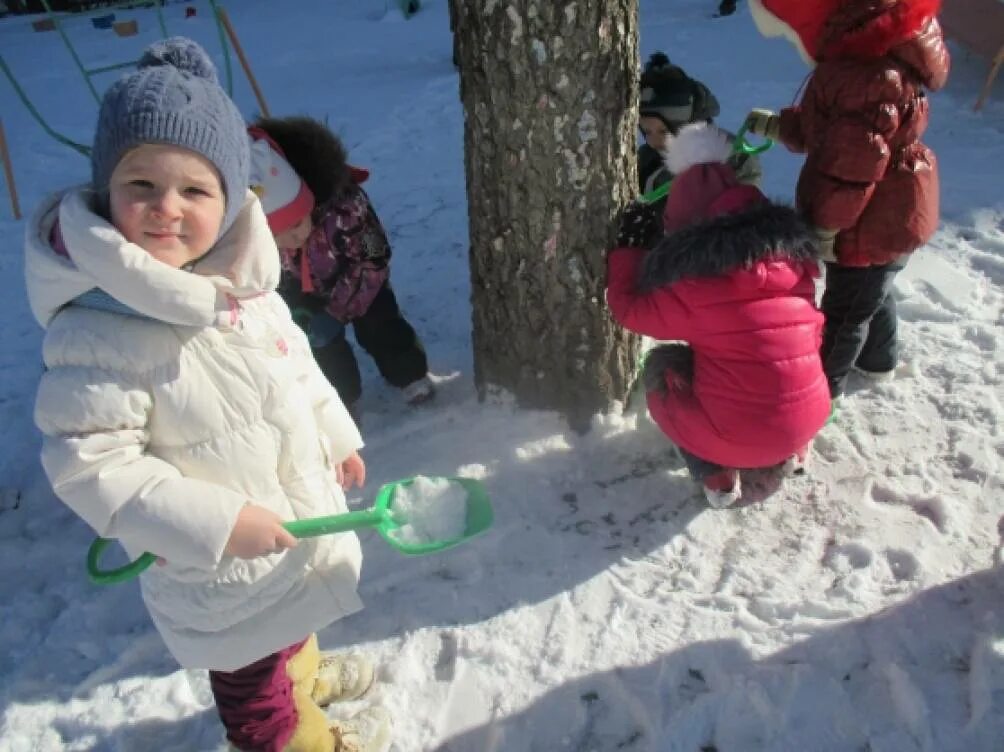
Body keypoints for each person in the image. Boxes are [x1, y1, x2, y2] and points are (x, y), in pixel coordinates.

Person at [25, 38, 390, 752]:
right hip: (215, 571)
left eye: (194, 190)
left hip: (290, 528)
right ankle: (302, 740)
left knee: (290, 620)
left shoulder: (244, 286)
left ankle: (304, 674)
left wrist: (337, 435)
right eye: (141, 186)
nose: (166, 208)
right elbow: (91, 467)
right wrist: (217, 525)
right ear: (107, 191)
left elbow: (295, 366)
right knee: (255, 692)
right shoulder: (97, 326)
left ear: (227, 204)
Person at [607, 123, 831, 508]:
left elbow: (629, 310)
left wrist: (629, 249)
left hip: (736, 435)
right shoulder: (796, 266)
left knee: (662, 364)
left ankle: (714, 471)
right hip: (809, 418)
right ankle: (793, 451)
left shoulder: (698, 284)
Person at [744, 0, 949, 399]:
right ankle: (878, 360)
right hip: (891, 207)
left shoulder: (865, 76)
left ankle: (819, 395)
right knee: (875, 287)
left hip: (868, 218)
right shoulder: (869, 60)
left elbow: (854, 161)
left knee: (846, 310)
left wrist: (828, 226)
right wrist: (780, 125)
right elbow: (832, 129)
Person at [248, 116, 434, 423]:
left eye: (297, 224)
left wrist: (336, 311)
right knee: (318, 344)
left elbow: (373, 260)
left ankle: (409, 373)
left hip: (359, 279)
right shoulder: (263, 234)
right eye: (279, 233)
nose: (292, 238)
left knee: (381, 326)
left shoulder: (346, 209)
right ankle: (339, 397)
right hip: (303, 286)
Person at [637, 52, 762, 201]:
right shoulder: (647, 161)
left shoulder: (732, 158)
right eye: (646, 131)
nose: (653, 141)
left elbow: (744, 210)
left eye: (663, 131)